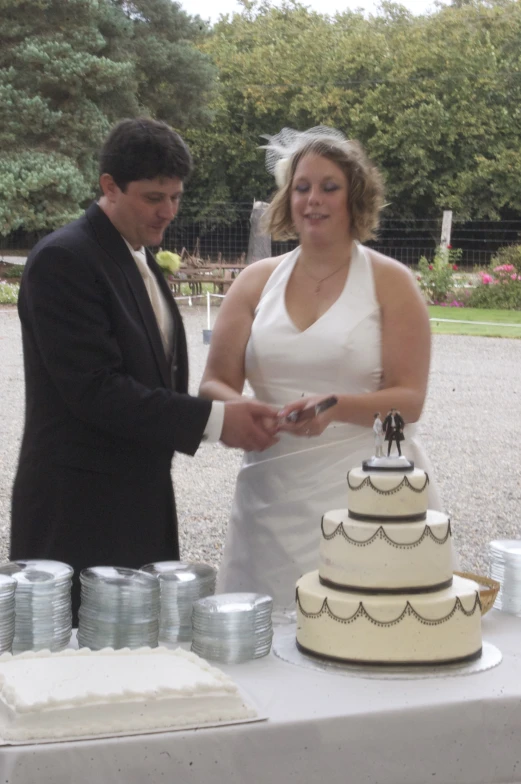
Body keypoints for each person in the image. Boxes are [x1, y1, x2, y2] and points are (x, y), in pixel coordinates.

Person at [10, 117, 278, 621]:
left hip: (140, 500)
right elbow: (96, 390)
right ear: (109, 187)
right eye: (155, 198)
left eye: (175, 197)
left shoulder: (137, 255)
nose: (169, 212)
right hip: (78, 510)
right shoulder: (63, 260)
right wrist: (217, 420)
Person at [199, 125, 445, 615]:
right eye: (301, 187)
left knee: (362, 628)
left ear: (356, 197)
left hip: (363, 494)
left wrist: (335, 409)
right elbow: (213, 382)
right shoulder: (255, 282)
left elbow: (410, 399)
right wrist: (242, 408)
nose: (313, 200)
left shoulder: (391, 282)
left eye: (329, 187)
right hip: (268, 492)